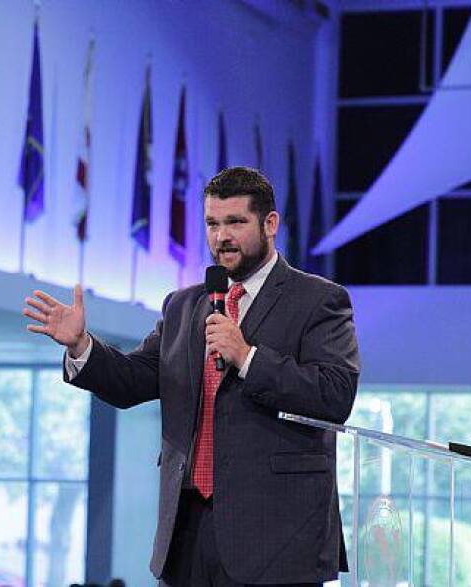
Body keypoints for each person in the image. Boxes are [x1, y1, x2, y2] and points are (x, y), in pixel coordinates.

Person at [23, 167, 360, 586]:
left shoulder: (318, 299)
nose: (222, 237)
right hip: (188, 534)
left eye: (236, 222)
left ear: (269, 224)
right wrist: (81, 346)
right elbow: (134, 380)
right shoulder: (184, 305)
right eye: (212, 224)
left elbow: (335, 395)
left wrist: (248, 357)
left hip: (277, 538)